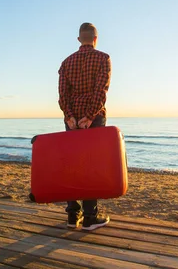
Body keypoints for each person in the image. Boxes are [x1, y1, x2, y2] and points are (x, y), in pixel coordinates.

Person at [58, 22, 112, 231]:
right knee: (91, 165)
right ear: (96, 39)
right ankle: (90, 217)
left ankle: (73, 215)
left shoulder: (66, 62)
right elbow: (101, 90)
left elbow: (63, 95)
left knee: (72, 164)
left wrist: (69, 116)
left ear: (79, 39)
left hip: (71, 119)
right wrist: (90, 117)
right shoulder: (103, 58)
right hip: (94, 118)